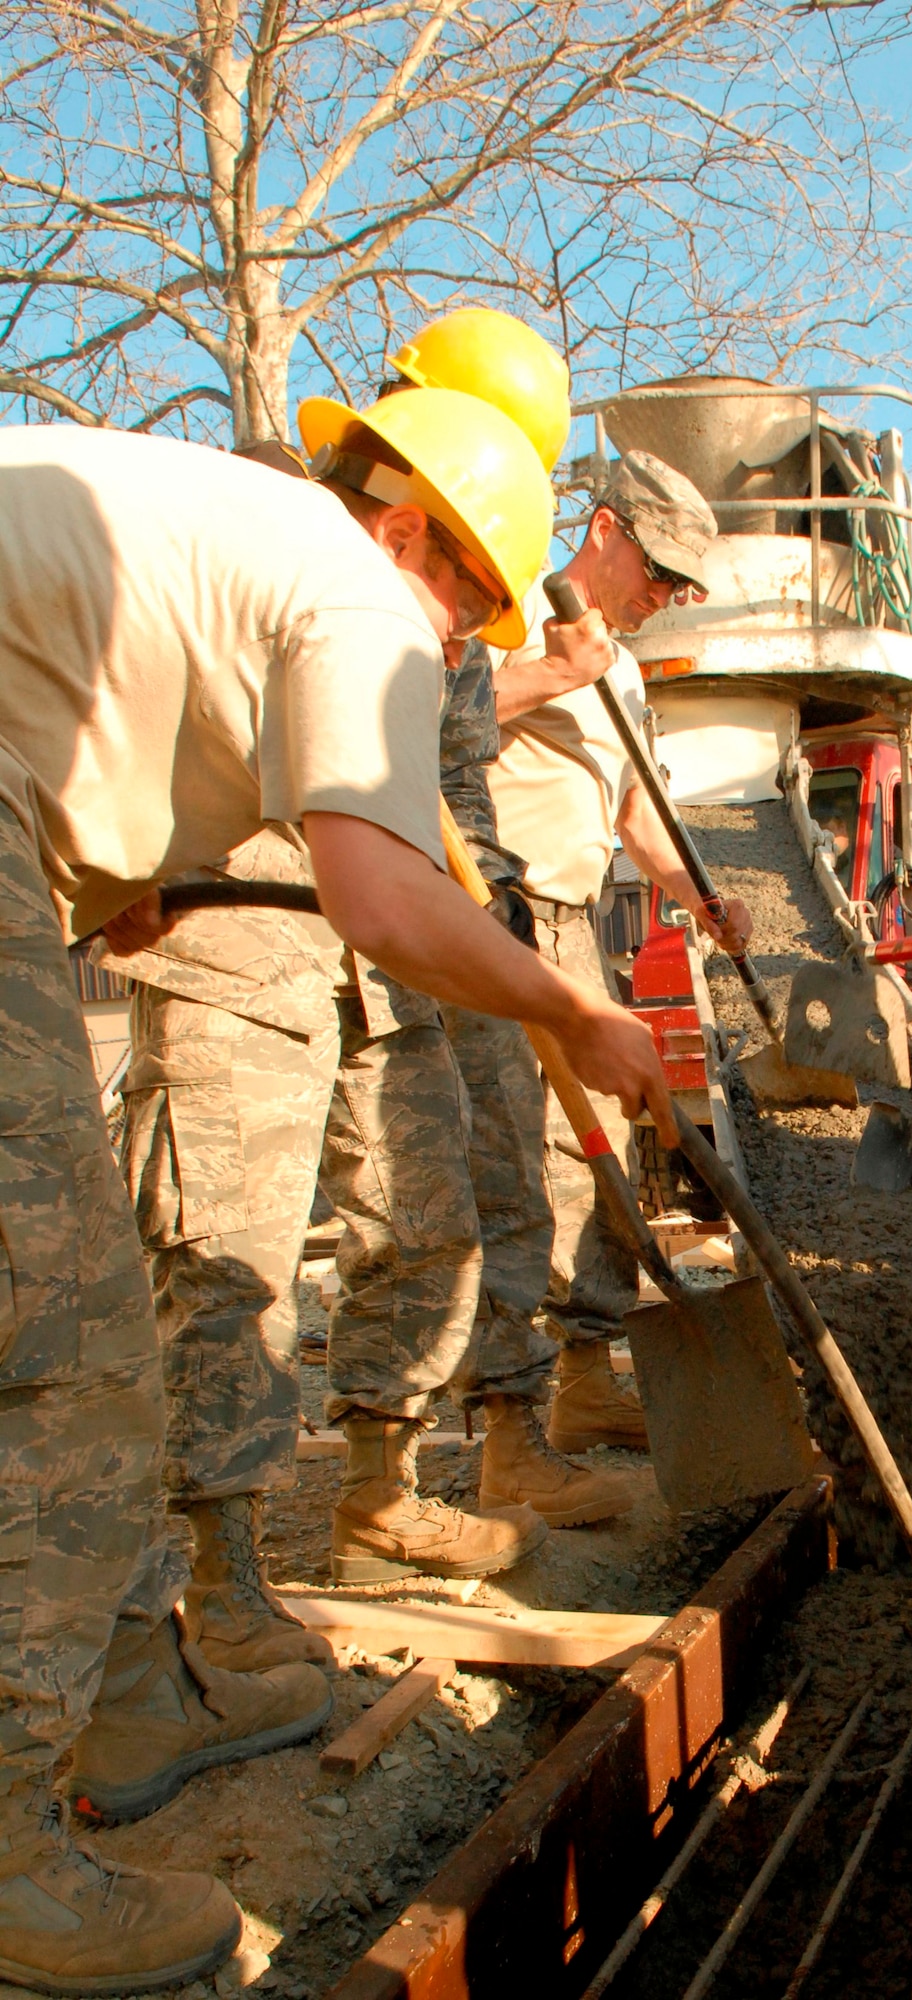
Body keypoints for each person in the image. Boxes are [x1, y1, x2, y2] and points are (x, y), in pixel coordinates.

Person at [0, 400, 671, 1988]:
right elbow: (379, 897)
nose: (453, 649)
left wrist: (130, 877)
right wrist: (571, 1009)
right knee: (70, 1357)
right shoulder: (360, 591)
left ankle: (125, 1696)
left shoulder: (234, 542)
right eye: (468, 611)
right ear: (417, 533)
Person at [487, 450, 754, 1473]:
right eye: (659, 571)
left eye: (682, 586)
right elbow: (431, 719)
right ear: (602, 529)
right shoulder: (513, 605)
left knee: (611, 1142)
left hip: (574, 922)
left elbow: (636, 808)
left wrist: (696, 892)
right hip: (495, 916)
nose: (665, 597)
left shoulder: (631, 667)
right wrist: (554, 669)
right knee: (524, 1164)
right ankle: (508, 1422)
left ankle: (587, 1378)